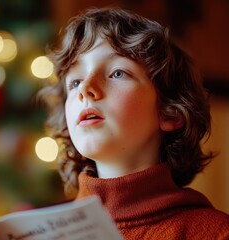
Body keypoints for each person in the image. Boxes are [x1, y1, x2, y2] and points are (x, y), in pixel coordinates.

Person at [38, 7, 229, 239]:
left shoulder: (215, 233)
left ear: (170, 113)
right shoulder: (48, 233)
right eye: (75, 81)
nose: (85, 89)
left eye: (117, 73)